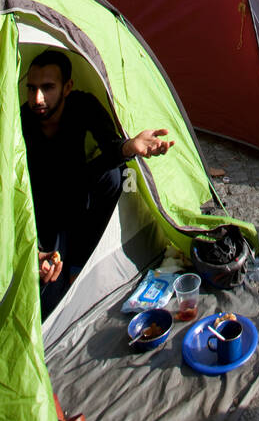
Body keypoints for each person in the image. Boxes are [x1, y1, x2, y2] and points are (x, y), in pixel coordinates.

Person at [21, 50, 174, 318]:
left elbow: (110, 145)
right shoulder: (19, 121)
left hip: (78, 191)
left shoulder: (83, 105)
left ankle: (80, 260)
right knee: (49, 302)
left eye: (48, 88)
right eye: (31, 88)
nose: (37, 99)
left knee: (114, 175)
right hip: (41, 210)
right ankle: (60, 267)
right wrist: (34, 250)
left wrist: (130, 146)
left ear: (67, 87)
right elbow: (10, 194)